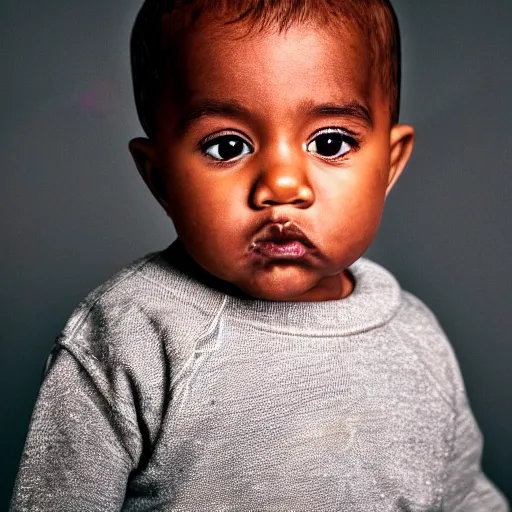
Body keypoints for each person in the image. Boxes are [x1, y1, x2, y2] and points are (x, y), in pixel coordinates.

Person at [10, 0, 509, 510]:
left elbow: (465, 498)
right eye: (228, 147)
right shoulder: (130, 337)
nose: (282, 185)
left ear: (388, 164)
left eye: (331, 141)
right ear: (160, 179)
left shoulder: (415, 338)